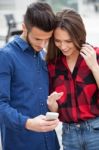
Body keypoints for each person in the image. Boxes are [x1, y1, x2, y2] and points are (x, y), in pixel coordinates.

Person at [0, 2, 60, 150]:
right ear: (24, 28)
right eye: (38, 39)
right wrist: (28, 123)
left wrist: (53, 108)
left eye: (47, 39)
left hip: (50, 143)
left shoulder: (43, 55)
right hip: (21, 143)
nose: (42, 44)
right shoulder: (5, 57)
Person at [46, 8, 99, 150]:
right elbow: (56, 109)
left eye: (68, 41)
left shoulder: (96, 55)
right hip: (69, 135)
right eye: (58, 41)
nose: (63, 46)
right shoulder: (53, 64)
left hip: (96, 132)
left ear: (79, 35)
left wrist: (94, 67)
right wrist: (52, 105)